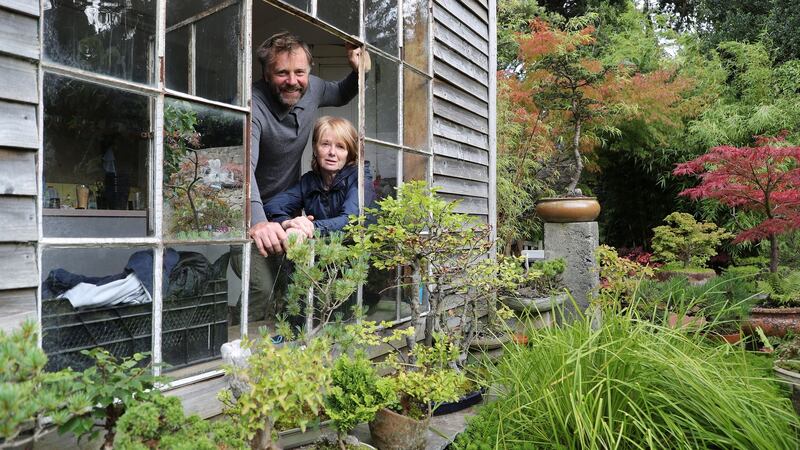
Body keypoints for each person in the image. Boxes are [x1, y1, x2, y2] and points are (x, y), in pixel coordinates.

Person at [229, 32, 369, 324]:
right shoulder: (251, 107)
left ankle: (284, 357)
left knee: (290, 293)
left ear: (310, 70)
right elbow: (244, 169)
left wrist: (360, 69)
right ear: (266, 75)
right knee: (261, 290)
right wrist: (257, 222)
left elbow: (343, 92)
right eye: (282, 73)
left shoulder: (313, 89)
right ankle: (235, 357)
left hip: (284, 215)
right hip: (248, 211)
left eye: (299, 72)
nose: (292, 81)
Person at [263, 116, 374, 238]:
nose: (332, 152)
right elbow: (271, 206)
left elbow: (350, 221)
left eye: (340, 146)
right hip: (321, 254)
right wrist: (288, 222)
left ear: (349, 154)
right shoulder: (309, 182)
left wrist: (310, 227)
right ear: (315, 149)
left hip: (361, 254)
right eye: (325, 144)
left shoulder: (360, 177)